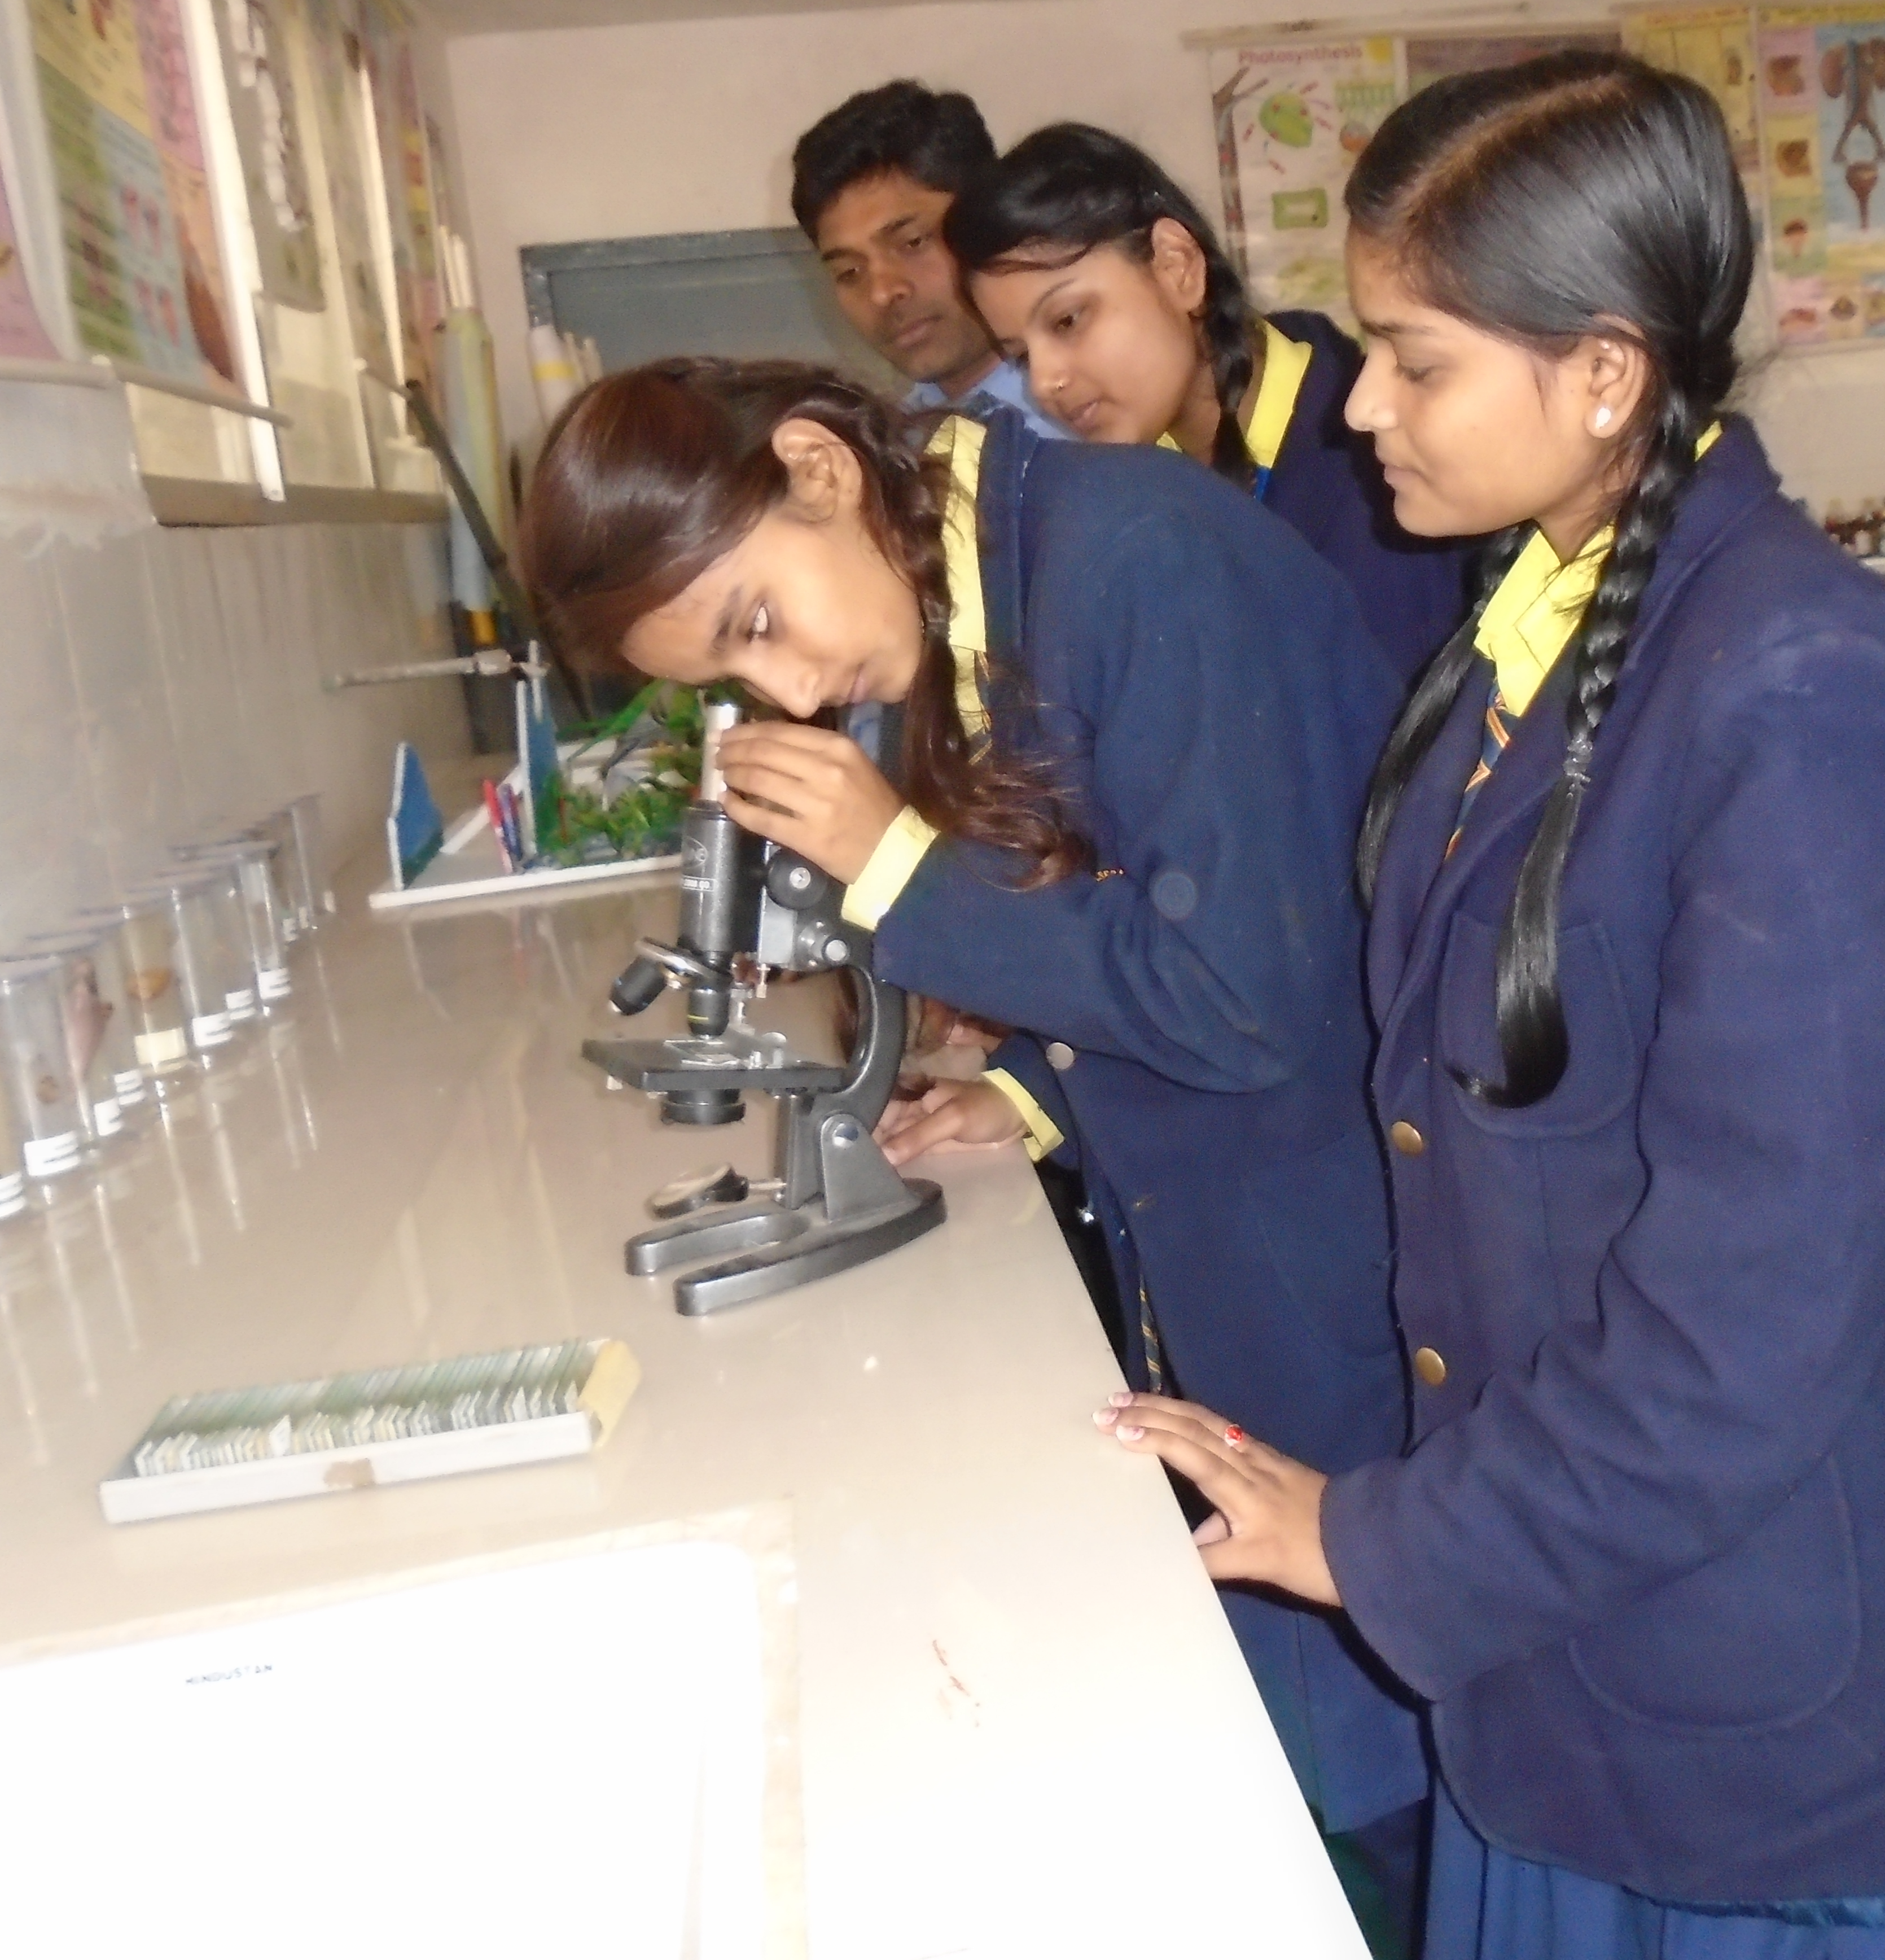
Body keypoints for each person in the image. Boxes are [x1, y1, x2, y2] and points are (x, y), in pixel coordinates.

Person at [1102, 51, 1885, 1957]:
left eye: (1417, 357)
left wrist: (1372, 1542)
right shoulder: (1535, 629)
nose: (1362, 401)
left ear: (1608, 371)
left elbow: (1753, 1339)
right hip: (1564, 1654)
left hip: (1765, 1724)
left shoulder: (1812, 703)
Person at [516, 358, 1430, 1904]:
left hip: (1343, 1244)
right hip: (1219, 1229)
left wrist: (900, 870)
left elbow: (1248, 992)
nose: (794, 692)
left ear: (816, 466)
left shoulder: (1134, 560)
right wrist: (1033, 1095)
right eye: (739, 678)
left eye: (757, 621)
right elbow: (1140, 890)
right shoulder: (974, 577)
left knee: (1385, 1764)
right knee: (1299, 1740)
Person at [945, 123, 1465, 684]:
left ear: (1177, 267)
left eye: (1068, 320)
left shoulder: (1380, 475)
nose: (1046, 382)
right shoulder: (1146, 494)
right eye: (1020, 357)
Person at [788, 81, 1062, 435]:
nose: (883, 293)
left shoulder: (1087, 424)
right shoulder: (890, 446)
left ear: (992, 220)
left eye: (913, 242)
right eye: (849, 272)